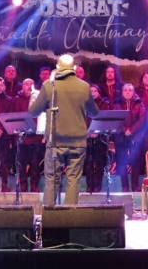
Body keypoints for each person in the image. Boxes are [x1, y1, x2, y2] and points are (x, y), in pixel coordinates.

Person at [29, 54, 100, 206]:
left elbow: (33, 112)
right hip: (78, 142)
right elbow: (95, 113)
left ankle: (49, 219)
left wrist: (34, 96)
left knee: (52, 179)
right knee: (73, 178)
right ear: (74, 68)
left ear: (58, 67)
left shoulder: (49, 85)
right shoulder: (84, 86)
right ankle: (69, 220)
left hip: (55, 141)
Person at [113, 83, 146, 192]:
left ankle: (135, 185)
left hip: (135, 136)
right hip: (120, 136)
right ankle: (125, 186)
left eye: (130, 90)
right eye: (125, 90)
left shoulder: (139, 103)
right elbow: (116, 118)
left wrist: (131, 130)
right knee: (122, 161)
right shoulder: (117, 103)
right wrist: (124, 129)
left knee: (135, 161)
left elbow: (142, 118)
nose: (127, 92)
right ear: (122, 92)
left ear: (133, 92)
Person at [13, 79, 44, 192]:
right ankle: (23, 185)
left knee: (35, 163)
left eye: (32, 84)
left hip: (35, 137)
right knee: (21, 163)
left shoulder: (39, 99)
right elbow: (14, 117)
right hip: (22, 137)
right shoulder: (17, 99)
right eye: (26, 84)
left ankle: (34, 185)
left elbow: (42, 115)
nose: (29, 86)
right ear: (22, 86)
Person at [84, 84, 111, 192]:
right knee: (88, 162)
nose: (93, 92)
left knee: (99, 162)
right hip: (87, 137)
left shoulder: (104, 103)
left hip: (100, 138)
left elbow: (104, 119)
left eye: (95, 90)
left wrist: (97, 131)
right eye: (91, 91)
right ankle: (90, 184)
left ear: (99, 93)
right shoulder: (84, 104)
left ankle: (97, 185)